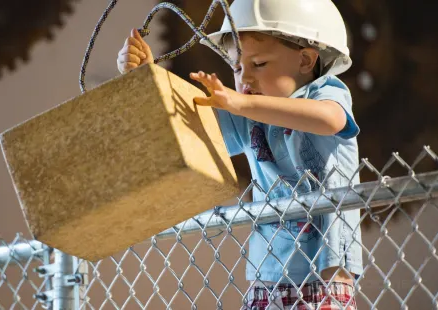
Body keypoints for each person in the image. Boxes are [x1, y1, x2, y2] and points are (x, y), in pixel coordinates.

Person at [117, 0, 362, 308]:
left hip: (324, 276)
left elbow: (330, 120)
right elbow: (182, 131)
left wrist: (240, 104)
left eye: (258, 64)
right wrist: (144, 81)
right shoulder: (246, 116)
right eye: (236, 67)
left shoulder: (325, 92)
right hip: (266, 275)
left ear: (305, 60)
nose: (244, 80)